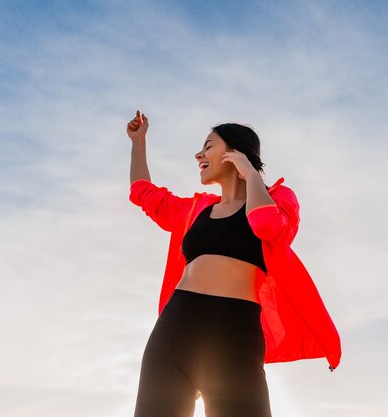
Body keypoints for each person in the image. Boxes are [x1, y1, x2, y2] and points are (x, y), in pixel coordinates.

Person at [127, 110, 341, 417]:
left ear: (234, 152)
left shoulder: (279, 200)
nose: (199, 153)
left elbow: (266, 225)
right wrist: (138, 142)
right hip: (175, 328)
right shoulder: (195, 209)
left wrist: (250, 174)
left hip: (236, 334)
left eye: (209, 145)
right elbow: (143, 193)